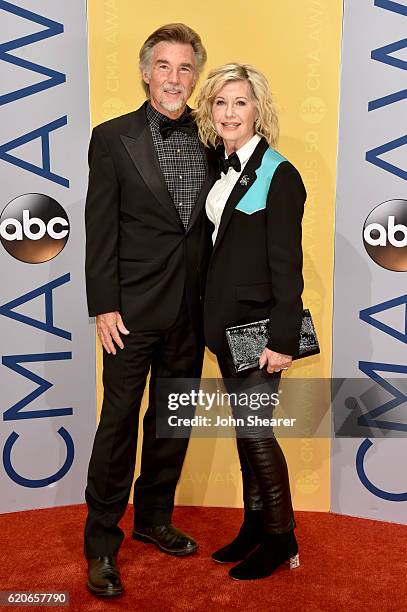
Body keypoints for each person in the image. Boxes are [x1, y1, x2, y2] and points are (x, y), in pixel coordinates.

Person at [84, 23, 215, 597]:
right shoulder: (112, 138)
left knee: (173, 420)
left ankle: (154, 518)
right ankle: (101, 544)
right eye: (164, 66)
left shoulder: (215, 138)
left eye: (186, 68)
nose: (175, 78)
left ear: (196, 76)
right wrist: (104, 305)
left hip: (193, 308)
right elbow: (100, 228)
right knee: (118, 427)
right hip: (130, 312)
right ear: (145, 72)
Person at [194, 63, 306, 580]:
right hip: (228, 326)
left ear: (258, 110)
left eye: (240, 102)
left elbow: (286, 263)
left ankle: (281, 537)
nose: (229, 112)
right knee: (245, 431)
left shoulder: (278, 174)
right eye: (220, 102)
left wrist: (283, 339)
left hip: (262, 330)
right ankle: (255, 526)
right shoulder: (224, 163)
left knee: (257, 432)